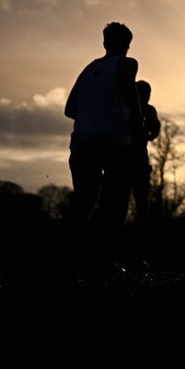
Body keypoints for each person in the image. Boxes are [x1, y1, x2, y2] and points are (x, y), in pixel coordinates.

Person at [64, 22, 144, 269]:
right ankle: (103, 257)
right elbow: (132, 98)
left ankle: (70, 256)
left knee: (83, 200)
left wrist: (92, 115)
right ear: (127, 44)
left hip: (82, 141)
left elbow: (69, 109)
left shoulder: (89, 68)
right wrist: (138, 125)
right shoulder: (127, 64)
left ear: (104, 42)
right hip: (114, 142)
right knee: (117, 200)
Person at [129, 80, 161, 265]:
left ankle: (136, 254)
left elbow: (155, 130)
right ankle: (136, 254)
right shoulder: (146, 110)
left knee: (137, 208)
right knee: (140, 208)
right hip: (134, 161)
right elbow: (155, 130)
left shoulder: (145, 110)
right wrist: (148, 135)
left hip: (129, 161)